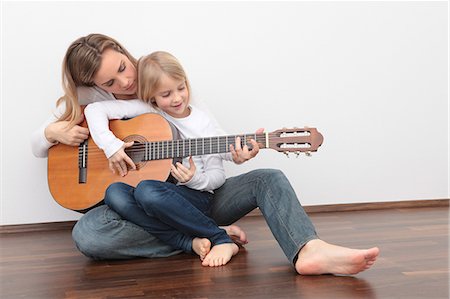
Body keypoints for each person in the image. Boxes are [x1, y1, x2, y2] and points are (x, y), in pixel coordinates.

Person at [31, 33, 379, 275]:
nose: (122, 83)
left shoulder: (174, 95)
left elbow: (215, 167)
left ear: (126, 53)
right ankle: (208, 236)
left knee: (268, 178)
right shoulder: (98, 104)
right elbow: (45, 141)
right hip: (140, 203)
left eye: (122, 68)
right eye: (109, 83)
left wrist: (234, 157)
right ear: (95, 87)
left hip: (198, 195)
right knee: (89, 235)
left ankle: (308, 250)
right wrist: (51, 133)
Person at [84, 51, 240, 266]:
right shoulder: (149, 111)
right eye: (166, 94)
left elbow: (218, 177)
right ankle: (187, 241)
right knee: (114, 191)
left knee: (148, 190)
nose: (176, 98)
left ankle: (220, 239)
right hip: (159, 197)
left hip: (195, 197)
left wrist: (193, 180)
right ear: (152, 98)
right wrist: (111, 146)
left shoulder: (202, 124)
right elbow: (94, 109)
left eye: (181, 88)